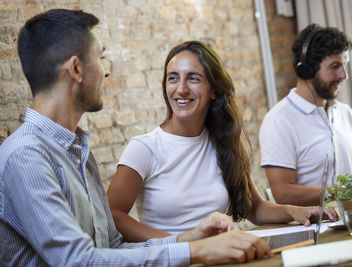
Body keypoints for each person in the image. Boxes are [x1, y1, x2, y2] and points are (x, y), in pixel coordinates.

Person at [0, 9, 277, 266]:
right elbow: (78, 261)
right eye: (100, 57)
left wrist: (186, 239)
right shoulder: (26, 155)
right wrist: (196, 251)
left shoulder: (78, 152)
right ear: (76, 69)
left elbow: (111, 248)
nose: (106, 70)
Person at [107, 40, 338, 243]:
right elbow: (113, 216)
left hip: (219, 257)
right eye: (173, 78)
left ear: (214, 91)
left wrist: (296, 212)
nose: (181, 89)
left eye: (193, 78)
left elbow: (254, 208)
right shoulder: (144, 148)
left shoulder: (222, 143)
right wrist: (181, 242)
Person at [259, 24, 352, 206]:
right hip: (314, 230)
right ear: (307, 70)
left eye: (345, 65)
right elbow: (284, 193)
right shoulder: (278, 121)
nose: (344, 75)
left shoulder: (344, 113)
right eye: (335, 66)